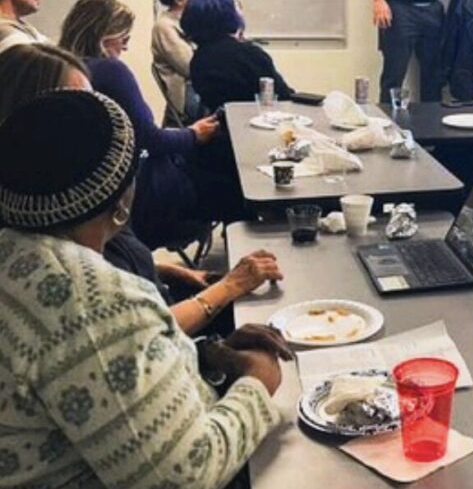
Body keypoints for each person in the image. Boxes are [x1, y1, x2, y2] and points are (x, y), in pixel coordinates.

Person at [0, 89, 292, 489]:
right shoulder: (88, 301)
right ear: (121, 199)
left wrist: (201, 353)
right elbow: (176, 486)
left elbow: (100, 385)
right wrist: (257, 385)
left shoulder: (18, 256)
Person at [0, 42, 283, 336]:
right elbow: (134, 333)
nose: (96, 115)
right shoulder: (53, 238)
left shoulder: (80, 202)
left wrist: (168, 271)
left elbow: (115, 271)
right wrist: (228, 287)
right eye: (79, 106)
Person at [59, 0, 243, 249]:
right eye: (124, 39)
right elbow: (149, 138)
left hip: (104, 192)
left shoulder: (61, 69)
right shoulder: (110, 72)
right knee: (237, 187)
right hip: (144, 191)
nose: (125, 48)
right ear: (105, 35)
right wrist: (193, 134)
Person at [181, 0, 293, 112]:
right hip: (255, 119)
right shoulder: (250, 54)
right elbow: (283, 95)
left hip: (220, 121)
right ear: (229, 16)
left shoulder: (198, 61)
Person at [152, 0, 200, 122]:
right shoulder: (164, 27)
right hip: (187, 94)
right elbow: (190, 67)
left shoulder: (190, 21)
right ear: (179, 0)